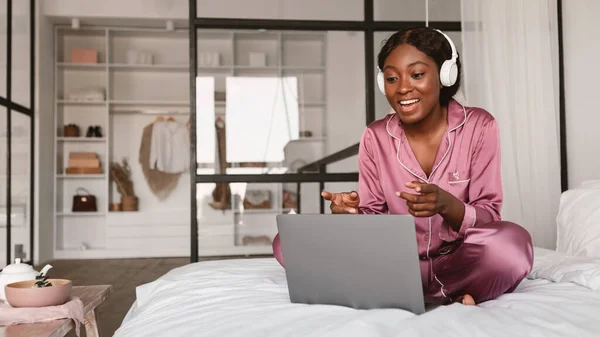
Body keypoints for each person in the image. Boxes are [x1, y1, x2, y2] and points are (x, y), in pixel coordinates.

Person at [272, 27, 534, 306]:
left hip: (458, 261)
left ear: (446, 75)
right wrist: (350, 213)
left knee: (512, 246)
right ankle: (438, 294)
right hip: (392, 263)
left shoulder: (480, 126)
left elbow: (489, 216)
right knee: (286, 243)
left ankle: (423, 291)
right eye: (391, 78)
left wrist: (447, 205)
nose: (403, 88)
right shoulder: (375, 135)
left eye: (417, 74)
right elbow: (373, 213)